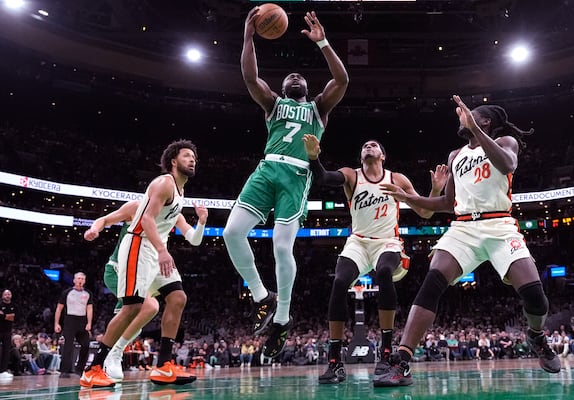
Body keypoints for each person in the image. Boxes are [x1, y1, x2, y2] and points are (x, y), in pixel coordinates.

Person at [380, 95, 561, 385]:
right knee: (432, 282)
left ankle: (536, 335)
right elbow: (449, 202)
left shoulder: (505, 143)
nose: (458, 115)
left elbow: (507, 166)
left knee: (535, 296)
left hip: (500, 225)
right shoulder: (455, 156)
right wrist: (410, 198)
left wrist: (475, 129)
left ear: (484, 120)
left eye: (465, 112)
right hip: (463, 227)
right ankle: (401, 361)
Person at [222, 8, 349, 359]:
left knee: (281, 247)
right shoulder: (272, 104)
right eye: (289, 76)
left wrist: (322, 41)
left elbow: (342, 81)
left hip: (296, 175)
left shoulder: (318, 108)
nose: (294, 76)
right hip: (266, 170)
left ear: (307, 89)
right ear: (282, 88)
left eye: (300, 76)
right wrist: (248, 36)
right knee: (232, 233)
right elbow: (250, 79)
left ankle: (282, 317)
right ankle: (263, 296)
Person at [302, 135, 446, 385]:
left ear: (383, 155)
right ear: (361, 157)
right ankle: (335, 360)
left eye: (374, 145)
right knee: (339, 282)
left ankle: (387, 353)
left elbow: (425, 212)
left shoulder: (397, 179)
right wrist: (314, 158)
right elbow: (324, 177)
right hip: (358, 241)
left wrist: (435, 190)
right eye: (364, 146)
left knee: (384, 273)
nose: (368, 146)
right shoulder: (351, 175)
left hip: (387, 241)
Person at [80, 139, 208, 388]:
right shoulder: (163, 183)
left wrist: (201, 220)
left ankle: (163, 365)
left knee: (178, 297)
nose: (192, 160)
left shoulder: (180, 194)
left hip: (154, 251)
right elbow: (147, 218)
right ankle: (93, 368)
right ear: (173, 161)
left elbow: (193, 239)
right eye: (186, 156)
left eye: (194, 157)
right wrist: (162, 250)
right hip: (139, 245)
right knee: (133, 308)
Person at [84, 200, 141, 314]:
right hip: (118, 269)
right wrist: (94, 229)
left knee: (140, 310)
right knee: (141, 306)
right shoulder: (136, 207)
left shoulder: (168, 214)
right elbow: (103, 220)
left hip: (141, 271)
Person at [54, 272, 93, 378]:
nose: (80, 280)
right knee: (68, 346)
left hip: (82, 320)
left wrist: (89, 323)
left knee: (86, 344)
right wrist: (56, 323)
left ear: (84, 281)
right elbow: (59, 308)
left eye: (82, 279)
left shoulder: (88, 293)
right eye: (78, 278)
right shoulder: (67, 292)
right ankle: (64, 371)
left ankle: (80, 369)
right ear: (74, 280)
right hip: (70, 320)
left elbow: (89, 309)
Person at [0, 289, 15, 378]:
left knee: (6, 351)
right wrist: (8, 316)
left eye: (9, 294)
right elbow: (10, 317)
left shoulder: (14, 306)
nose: (7, 295)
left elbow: (14, 317)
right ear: (2, 296)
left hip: (7, 332)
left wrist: (3, 316)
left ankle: (3, 371)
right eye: (6, 294)